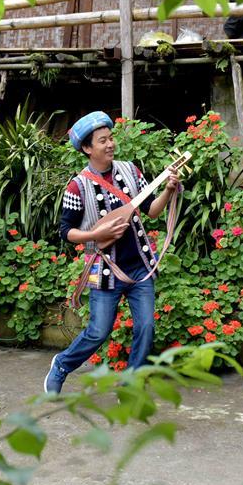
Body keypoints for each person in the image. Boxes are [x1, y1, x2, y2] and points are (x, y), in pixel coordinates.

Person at [44, 111, 180, 394]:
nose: (110, 144)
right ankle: (61, 365)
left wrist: (168, 189)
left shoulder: (131, 171)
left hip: (141, 267)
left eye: (111, 138)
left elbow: (152, 211)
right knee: (98, 331)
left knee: (145, 329)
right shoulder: (77, 186)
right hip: (105, 269)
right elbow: (66, 232)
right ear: (87, 148)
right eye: (102, 140)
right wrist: (97, 234)